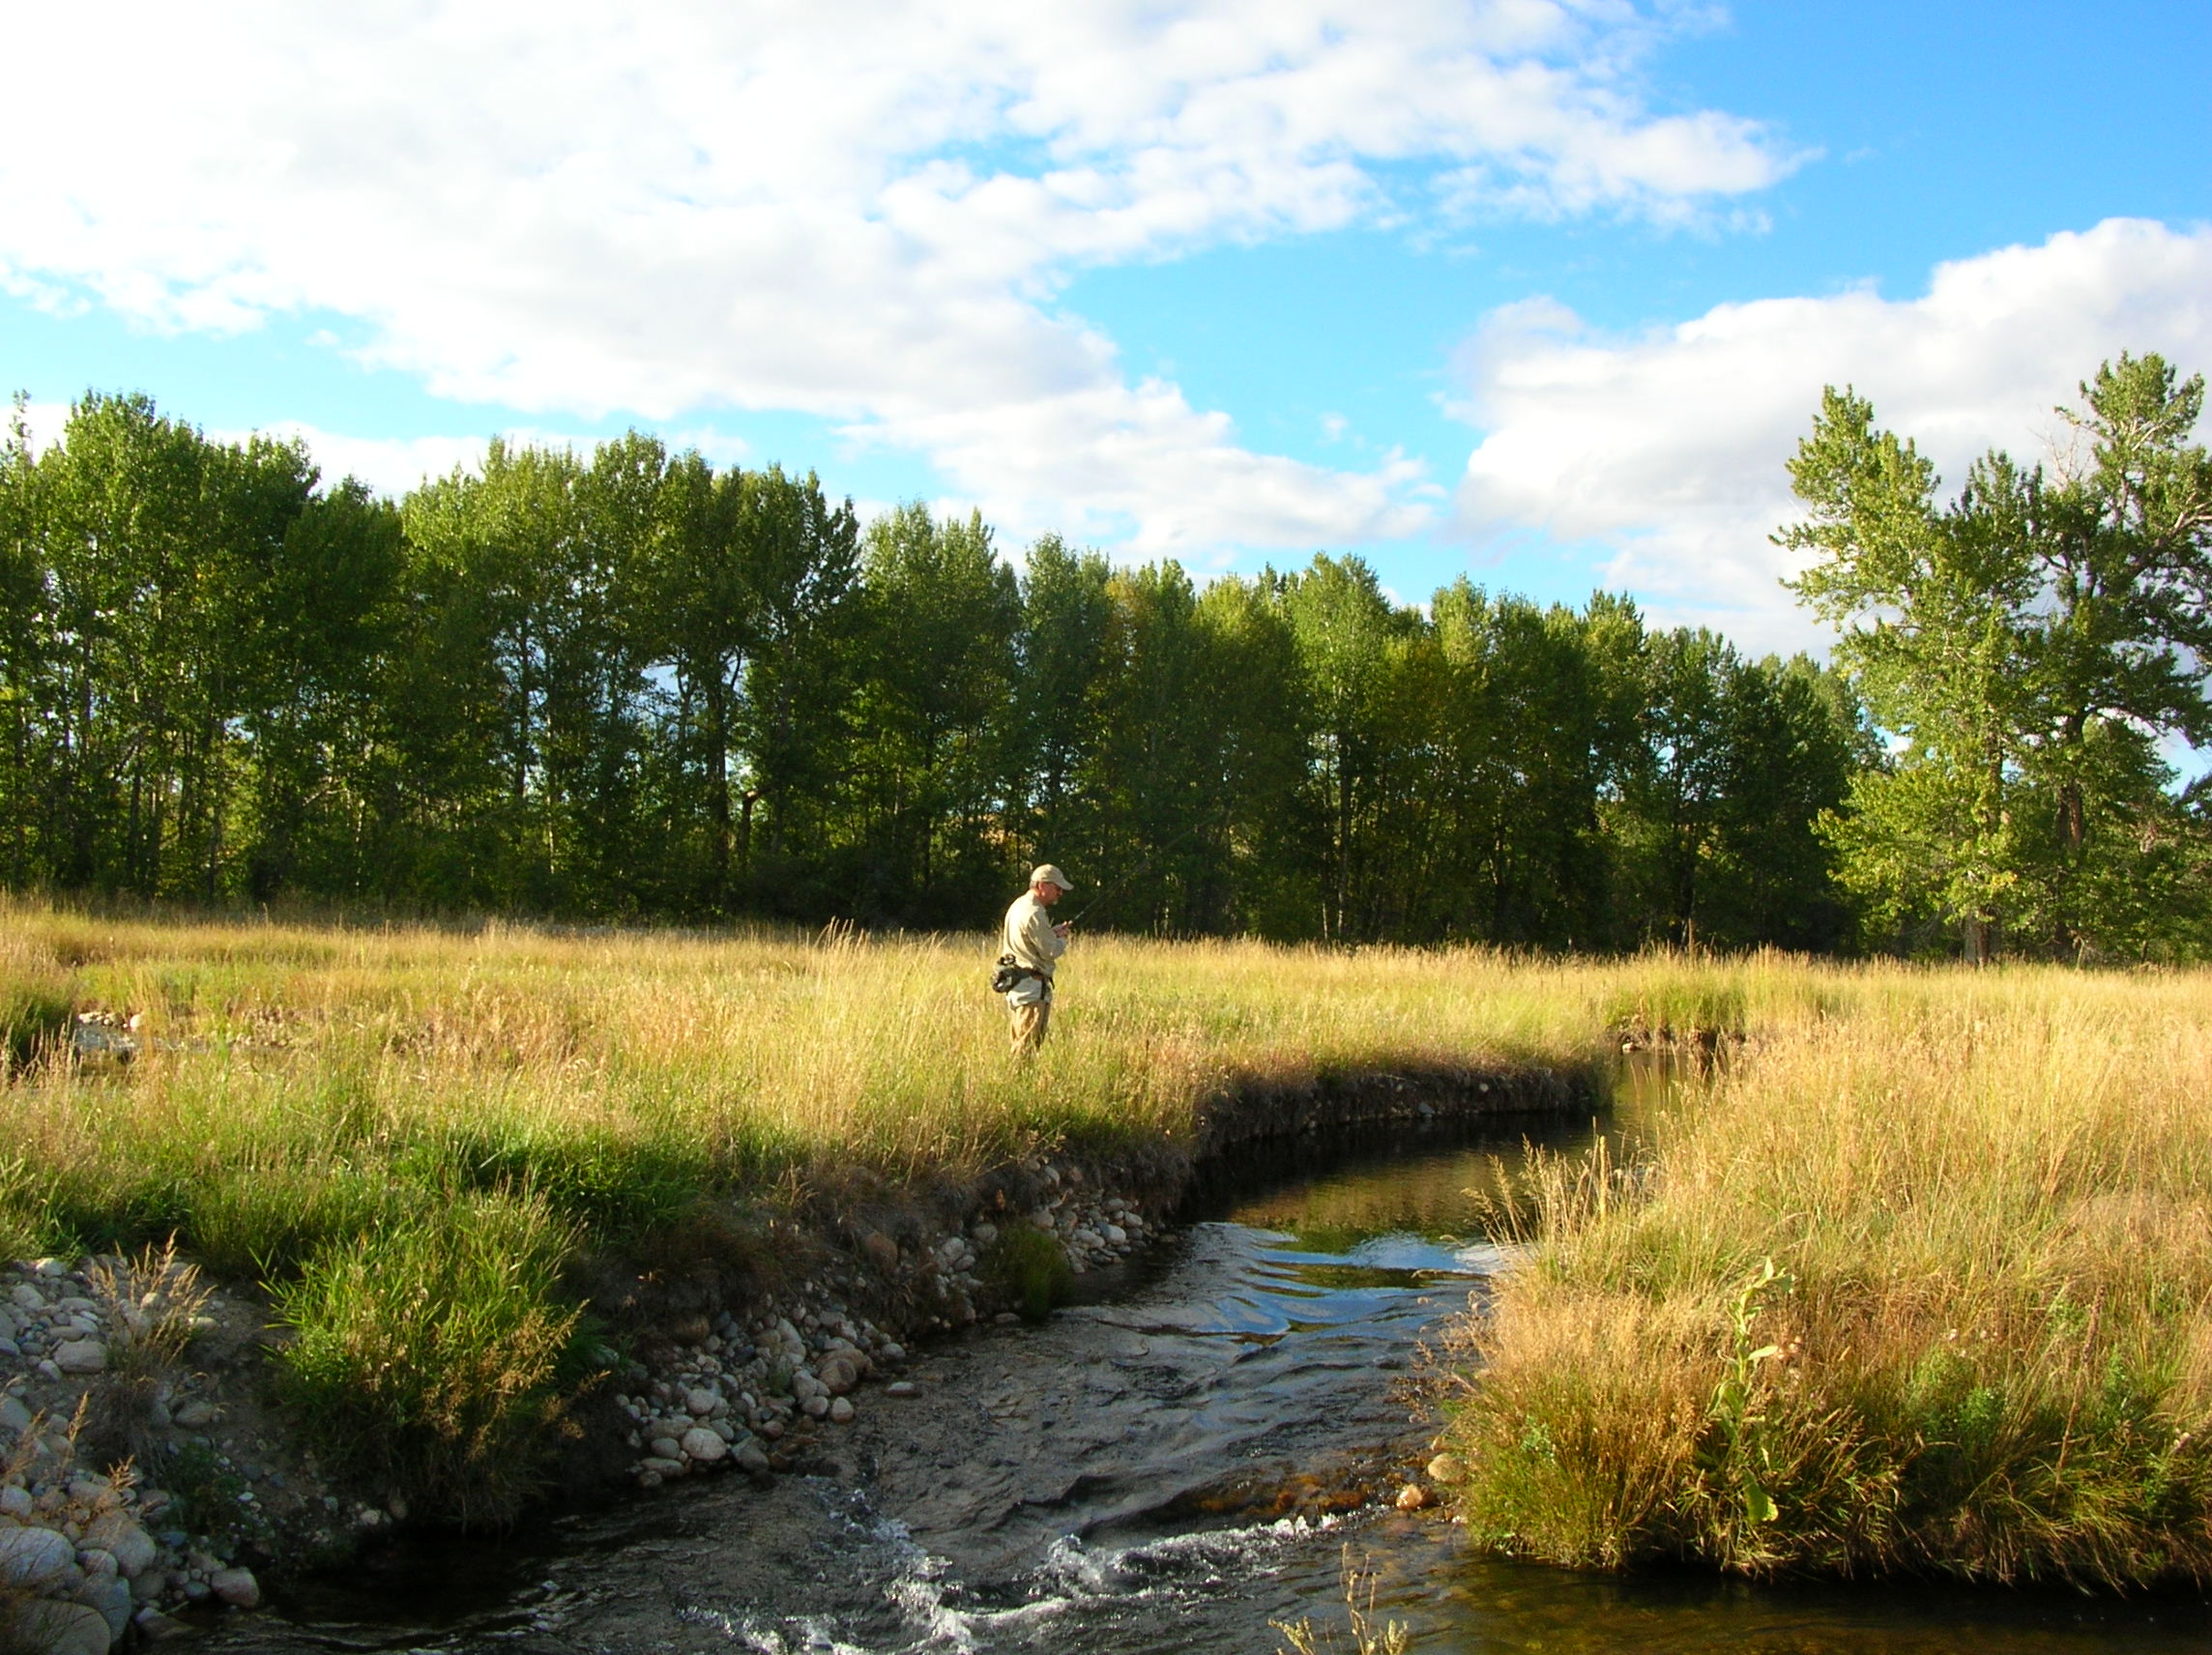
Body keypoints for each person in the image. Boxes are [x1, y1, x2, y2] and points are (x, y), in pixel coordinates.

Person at [1002, 864, 1073, 1054]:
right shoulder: (1034, 912)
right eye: (1057, 888)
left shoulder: (1019, 905)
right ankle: (1017, 1083)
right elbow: (1050, 951)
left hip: (1018, 985)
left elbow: (1032, 939)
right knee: (1026, 1049)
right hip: (1031, 989)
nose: (1060, 893)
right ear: (1042, 885)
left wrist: (1052, 932)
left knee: (1021, 1043)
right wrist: (1061, 939)